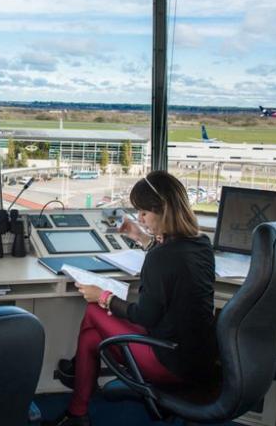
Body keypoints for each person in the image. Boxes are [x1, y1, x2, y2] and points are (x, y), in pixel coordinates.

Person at [47, 170, 217, 426]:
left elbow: (145, 316)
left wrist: (102, 295)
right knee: (92, 338)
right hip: (198, 358)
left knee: (94, 312)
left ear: (164, 211)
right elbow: (172, 261)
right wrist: (140, 236)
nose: (140, 218)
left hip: (170, 361)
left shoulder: (161, 257)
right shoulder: (201, 243)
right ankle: (77, 410)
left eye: (145, 213)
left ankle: (78, 382)